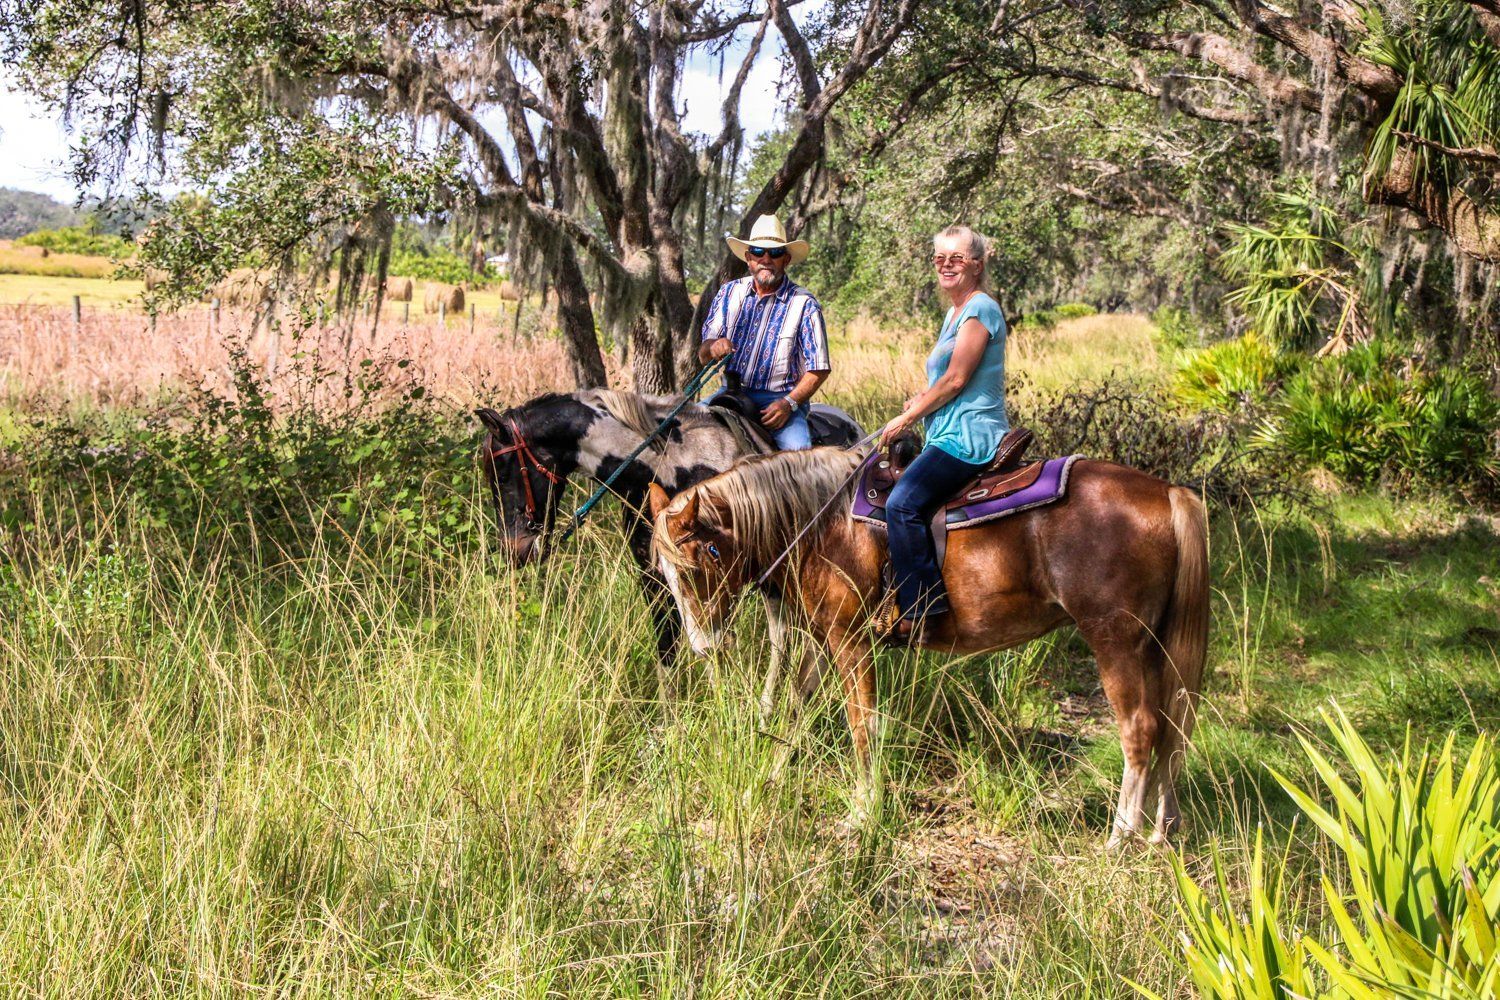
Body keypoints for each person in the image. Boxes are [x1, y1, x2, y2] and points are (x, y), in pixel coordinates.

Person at [876, 225, 1009, 644]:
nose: (946, 266)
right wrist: (921, 399)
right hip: (946, 433)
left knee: (901, 504)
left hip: (969, 436)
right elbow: (946, 382)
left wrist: (907, 418)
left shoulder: (980, 308)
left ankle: (922, 609)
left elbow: (955, 380)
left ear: (977, 264)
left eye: (956, 258)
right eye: (939, 259)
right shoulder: (954, 313)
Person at [699, 215, 831, 450]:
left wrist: (789, 404)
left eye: (775, 253)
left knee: (797, 457)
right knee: (683, 429)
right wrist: (713, 346)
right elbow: (703, 354)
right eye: (758, 251)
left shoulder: (804, 304)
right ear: (748, 258)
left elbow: (818, 368)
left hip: (778, 399)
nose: (766, 259)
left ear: (786, 259)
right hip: (731, 392)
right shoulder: (728, 293)